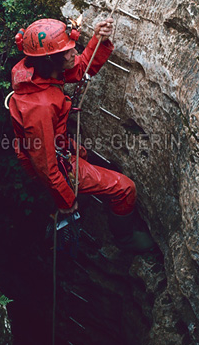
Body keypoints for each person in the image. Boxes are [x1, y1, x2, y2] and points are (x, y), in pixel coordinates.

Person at [8, 17, 153, 253]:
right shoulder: (40, 107)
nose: (72, 51)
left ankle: (93, 194)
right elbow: (45, 165)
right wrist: (67, 201)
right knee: (125, 188)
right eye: (66, 50)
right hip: (56, 163)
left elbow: (82, 67)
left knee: (88, 157)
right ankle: (124, 239)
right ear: (50, 58)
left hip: (60, 147)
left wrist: (99, 38)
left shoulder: (42, 72)